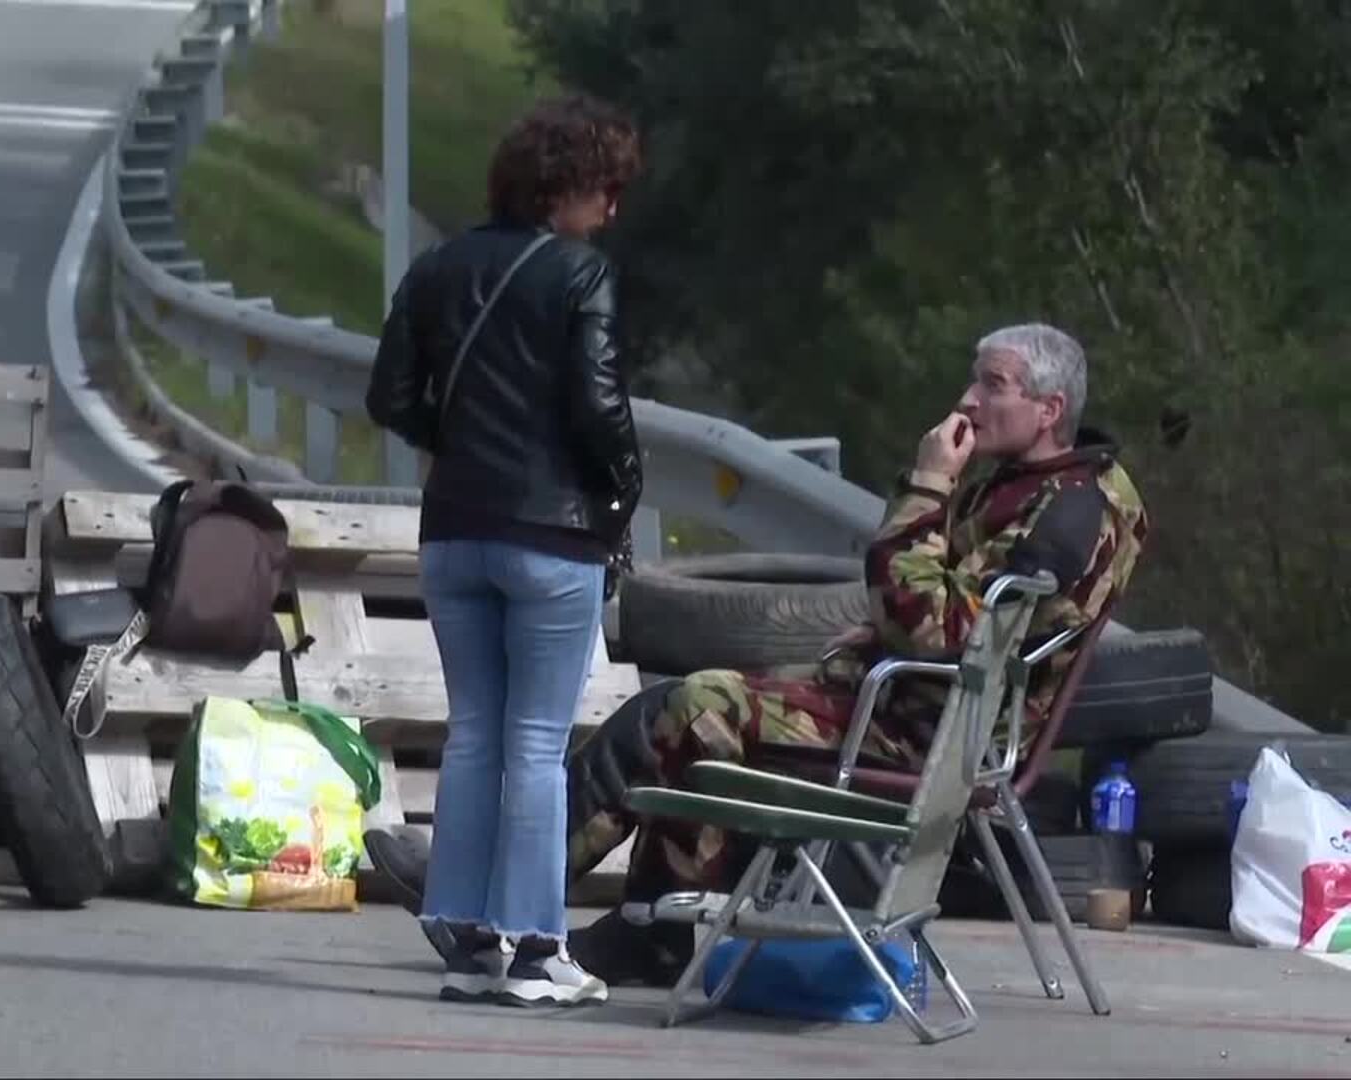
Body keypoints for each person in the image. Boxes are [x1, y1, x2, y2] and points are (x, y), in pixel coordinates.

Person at [367, 321, 1149, 987]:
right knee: (679, 711)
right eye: (974, 381)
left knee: (695, 708)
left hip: (930, 733)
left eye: (994, 386)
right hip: (915, 702)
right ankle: (637, 921)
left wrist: (926, 485)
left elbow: (939, 627)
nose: (970, 400)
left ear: (1049, 409)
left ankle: (509, 904)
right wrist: (885, 630)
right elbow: (949, 616)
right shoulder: (1037, 483)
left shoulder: (1068, 514)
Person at [365, 93, 645, 1008]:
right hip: (550, 534)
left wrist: (454, 435)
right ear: (566, 190)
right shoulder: (578, 276)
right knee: (535, 741)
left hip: (453, 530)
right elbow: (597, 404)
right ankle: (535, 946)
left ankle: (467, 928)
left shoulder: (438, 267)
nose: (611, 211)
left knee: (476, 731)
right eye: (605, 190)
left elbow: (389, 396)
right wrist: (622, 488)